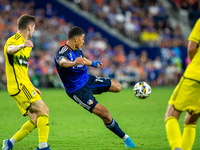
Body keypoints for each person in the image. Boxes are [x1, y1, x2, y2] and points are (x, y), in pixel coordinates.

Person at [54, 26, 135, 148]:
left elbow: (83, 60)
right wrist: (73, 63)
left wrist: (93, 64)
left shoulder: (78, 50)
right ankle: (126, 139)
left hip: (88, 79)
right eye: (82, 39)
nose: (83, 41)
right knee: (105, 114)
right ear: (76, 39)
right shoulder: (62, 52)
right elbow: (62, 62)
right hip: (77, 91)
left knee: (117, 86)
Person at [2, 14, 50, 150]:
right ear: (29, 27)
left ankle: (9, 142)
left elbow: (22, 69)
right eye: (34, 28)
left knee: (35, 120)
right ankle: (43, 147)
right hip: (18, 86)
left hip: (24, 85)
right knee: (43, 110)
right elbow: (9, 50)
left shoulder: (28, 46)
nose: (34, 30)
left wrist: (32, 86)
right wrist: (21, 45)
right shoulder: (15, 40)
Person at [164, 18, 200, 150]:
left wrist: (195, 64)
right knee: (191, 120)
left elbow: (191, 47)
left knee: (171, 114)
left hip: (195, 75)